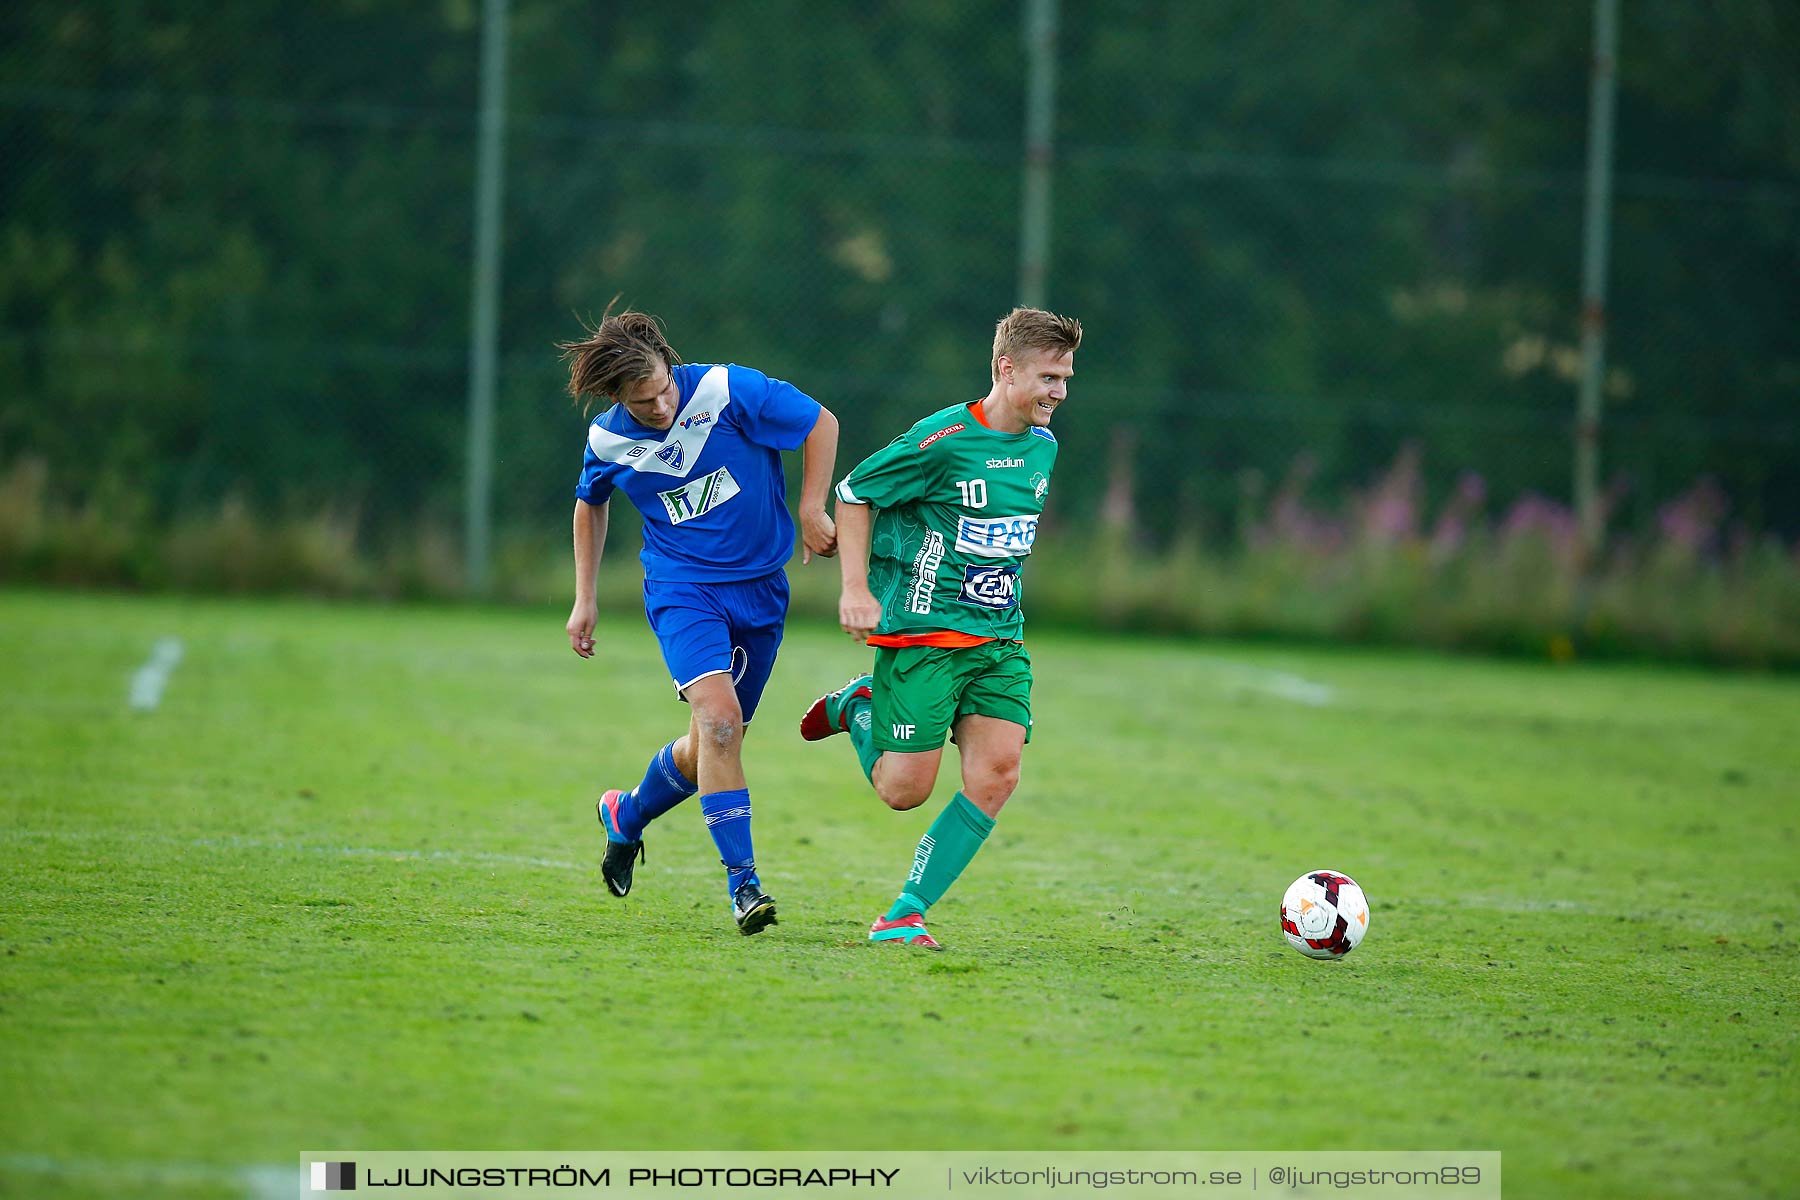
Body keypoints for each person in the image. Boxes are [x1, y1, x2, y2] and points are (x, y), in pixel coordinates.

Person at [799, 306, 1081, 950]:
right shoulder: (944, 439)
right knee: (904, 792)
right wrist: (854, 589)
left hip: (999, 642)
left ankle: (905, 912)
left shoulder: (1042, 447)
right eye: (1048, 377)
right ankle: (859, 706)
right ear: (1007, 371)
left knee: (999, 774)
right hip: (925, 641)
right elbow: (855, 492)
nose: (1059, 393)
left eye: (1066, 379)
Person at [562, 307, 838, 936]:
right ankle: (744, 886)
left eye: (663, 389)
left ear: (670, 362)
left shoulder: (727, 390)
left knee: (710, 741)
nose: (659, 407)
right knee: (719, 724)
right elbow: (590, 505)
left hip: (762, 592)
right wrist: (585, 597)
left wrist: (813, 506)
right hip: (682, 590)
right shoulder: (608, 440)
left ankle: (626, 816)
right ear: (615, 397)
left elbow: (822, 423)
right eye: (641, 401)